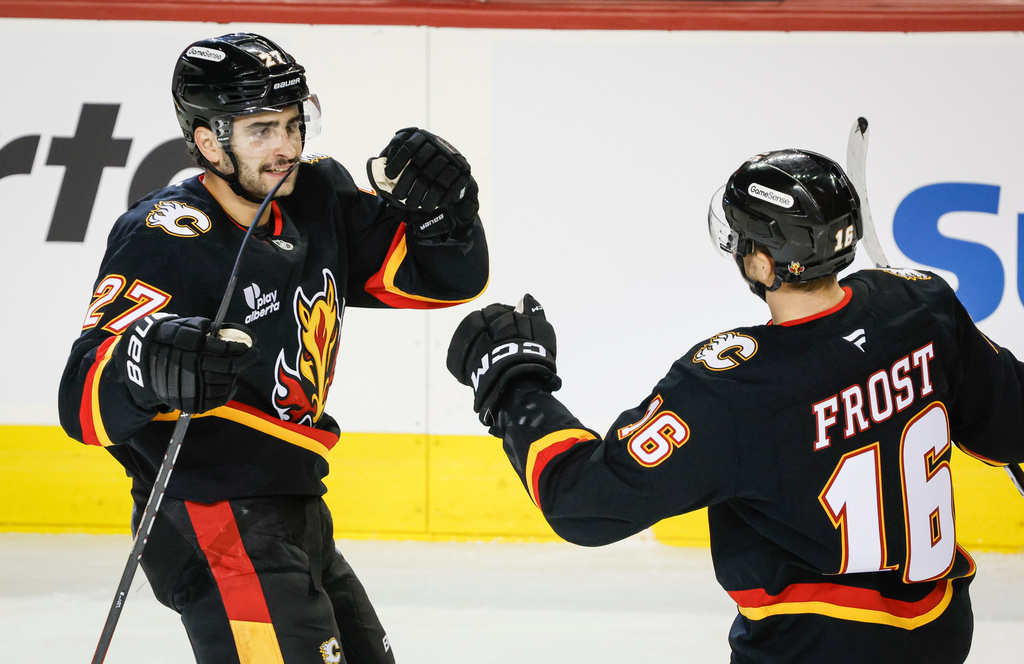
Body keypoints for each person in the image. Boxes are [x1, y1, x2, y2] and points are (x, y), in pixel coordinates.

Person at [446, 149, 1024, 663]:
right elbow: (1011, 424)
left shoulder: (732, 388)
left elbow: (582, 503)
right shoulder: (922, 306)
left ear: (766, 265)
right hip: (938, 634)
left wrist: (514, 389)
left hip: (810, 647)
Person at [58, 32, 488, 664]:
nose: (286, 147)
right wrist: (146, 366)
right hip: (210, 514)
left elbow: (444, 280)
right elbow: (81, 400)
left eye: (292, 124)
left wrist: (448, 215)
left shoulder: (317, 199)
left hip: (296, 506)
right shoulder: (165, 234)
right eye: (261, 130)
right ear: (208, 141)